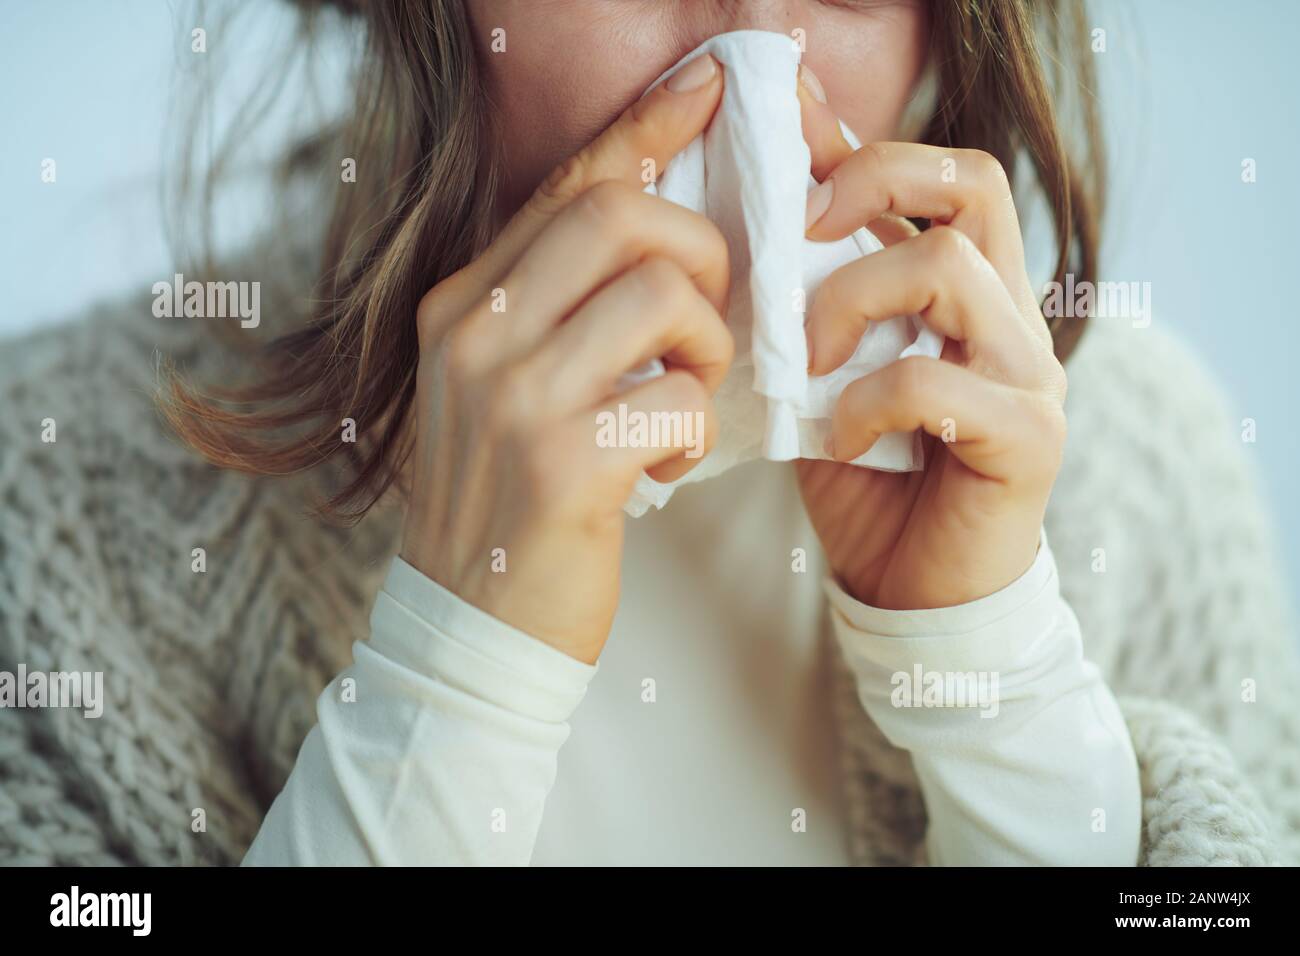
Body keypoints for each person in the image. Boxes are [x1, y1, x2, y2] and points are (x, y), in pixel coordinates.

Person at [1, 0, 1294, 867]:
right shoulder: (56, 498)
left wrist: (998, 683)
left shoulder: (1139, 468)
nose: (743, 79)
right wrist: (453, 678)